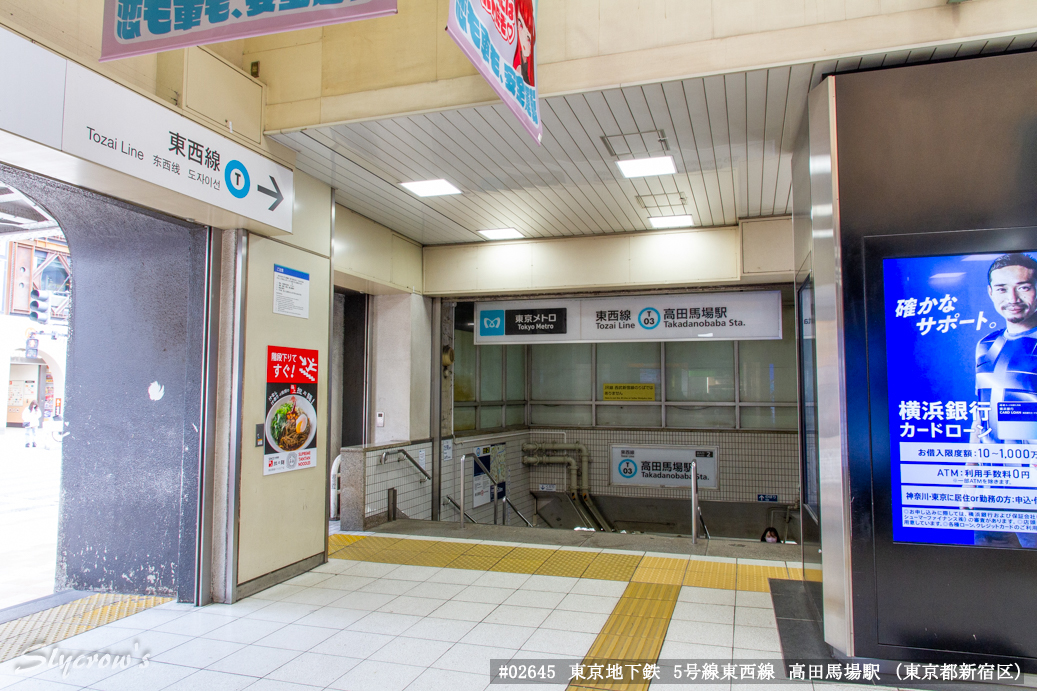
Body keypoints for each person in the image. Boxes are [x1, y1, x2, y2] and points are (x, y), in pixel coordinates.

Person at [971, 253, 1037, 444]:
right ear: (991, 292)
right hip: (992, 469)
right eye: (1002, 289)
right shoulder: (986, 344)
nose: (1013, 299)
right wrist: (971, 462)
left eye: (1023, 287)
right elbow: (981, 409)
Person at [513, 0, 535, 87]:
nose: (526, 33)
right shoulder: (517, 68)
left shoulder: (525, 69)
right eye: (520, 24)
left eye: (529, 38)